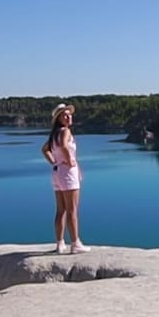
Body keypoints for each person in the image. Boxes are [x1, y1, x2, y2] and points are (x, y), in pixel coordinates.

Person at [41, 103, 90, 254]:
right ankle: (75, 243)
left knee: (61, 210)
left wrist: (54, 161)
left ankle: (60, 243)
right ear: (59, 118)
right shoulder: (65, 131)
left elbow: (45, 149)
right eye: (65, 115)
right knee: (72, 210)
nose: (69, 117)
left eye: (70, 114)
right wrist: (69, 160)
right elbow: (63, 145)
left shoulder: (54, 133)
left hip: (57, 172)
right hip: (67, 172)